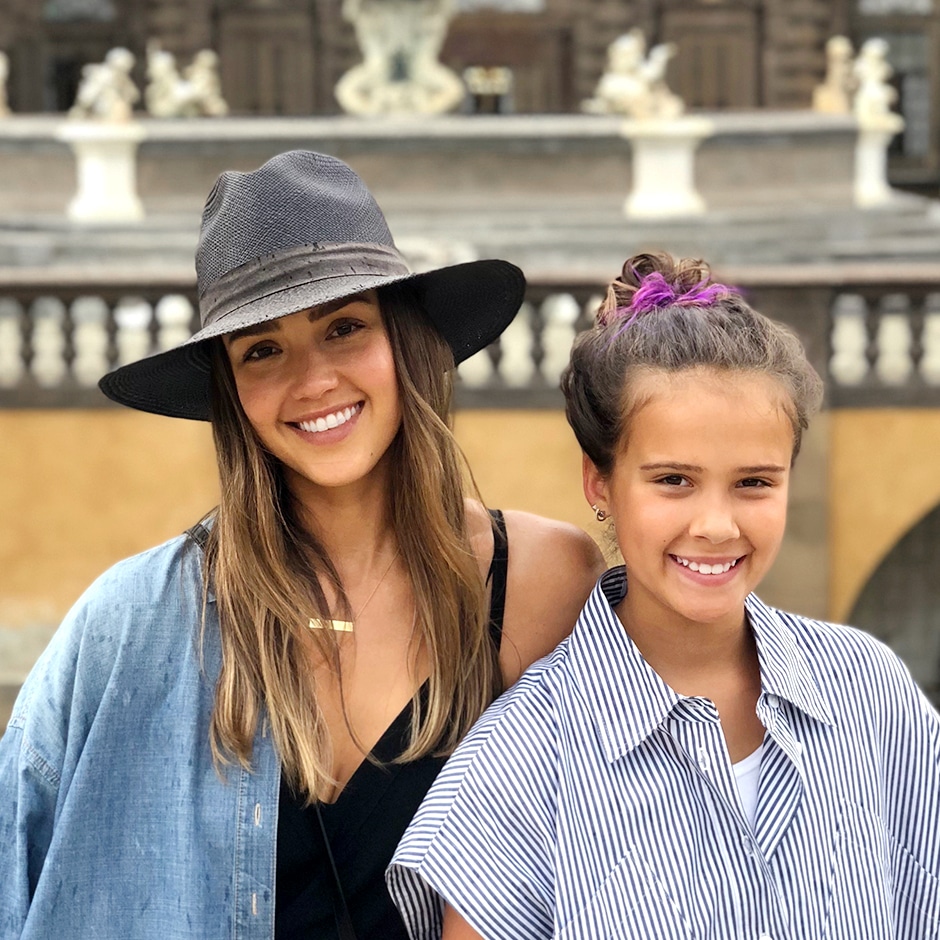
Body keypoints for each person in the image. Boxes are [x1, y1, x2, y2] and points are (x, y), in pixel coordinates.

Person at [0, 151, 604, 939]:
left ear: (406, 342)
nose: (313, 380)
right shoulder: (134, 621)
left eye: (344, 327)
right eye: (262, 349)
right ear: (231, 388)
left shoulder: (544, 580)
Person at [388, 252, 940, 939]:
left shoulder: (871, 695)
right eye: (674, 480)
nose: (715, 525)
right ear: (600, 485)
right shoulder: (523, 762)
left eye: (755, 482)